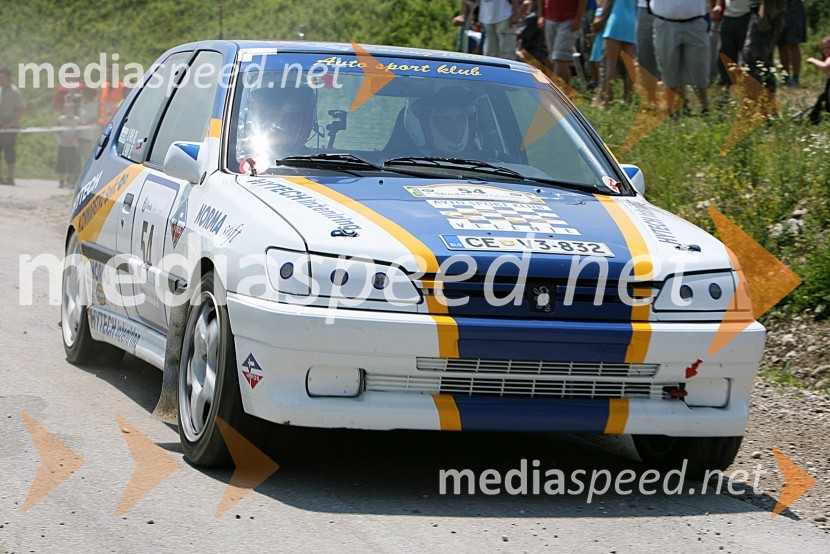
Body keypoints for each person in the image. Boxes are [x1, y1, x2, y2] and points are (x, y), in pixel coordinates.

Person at [236, 84, 316, 170]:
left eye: (294, 117)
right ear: (262, 118)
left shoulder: (319, 164)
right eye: (277, 116)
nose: (285, 125)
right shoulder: (246, 163)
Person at [650, 0, 711, 113]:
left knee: (699, 65)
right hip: (665, 23)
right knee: (668, 66)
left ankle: (705, 108)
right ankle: (671, 110)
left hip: (695, 23)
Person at [401, 87, 479, 157]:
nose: (457, 128)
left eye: (461, 118)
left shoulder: (481, 160)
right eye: (446, 120)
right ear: (418, 125)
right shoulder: (399, 164)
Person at [593, 0, 636, 108]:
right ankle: (628, 98)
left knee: (610, 64)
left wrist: (600, 18)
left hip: (616, 21)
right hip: (631, 23)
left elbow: (608, 2)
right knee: (629, 66)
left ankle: (607, 99)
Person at [742, 0, 788, 93]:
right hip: (764, 13)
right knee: (763, 59)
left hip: (768, 16)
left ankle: (758, 94)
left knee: (753, 57)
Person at [539, 0, 588, 85]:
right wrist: (541, 15)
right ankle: (565, 90)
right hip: (549, 18)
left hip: (569, 20)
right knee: (554, 58)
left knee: (559, 57)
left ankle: (554, 89)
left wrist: (579, 18)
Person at [455, 0, 520, 61]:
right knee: (489, 53)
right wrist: (462, 15)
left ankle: (508, 69)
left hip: (505, 17)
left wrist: (515, 14)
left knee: (507, 52)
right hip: (486, 19)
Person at [712, 0, 752, 86]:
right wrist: (718, 5)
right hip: (728, 17)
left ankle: (749, 85)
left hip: (748, 15)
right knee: (726, 52)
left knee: (748, 54)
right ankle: (726, 85)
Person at [0, 68, 26, 186]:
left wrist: (10, 124)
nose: (1, 80)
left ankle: (10, 177)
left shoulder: (14, 92)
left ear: (8, 78)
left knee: (9, 152)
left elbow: (21, 109)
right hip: (0, 127)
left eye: (3, 77)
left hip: (10, 128)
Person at [778, 0, 807, 87]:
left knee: (793, 43)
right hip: (776, 7)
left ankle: (795, 78)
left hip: (793, 6)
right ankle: (785, 77)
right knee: (781, 44)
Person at [517, 0, 549, 67]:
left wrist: (518, 14)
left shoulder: (532, 17)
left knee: (508, 54)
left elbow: (518, 36)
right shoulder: (539, 16)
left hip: (532, 55)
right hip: (540, 53)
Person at [56, 102, 80, 189]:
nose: (69, 111)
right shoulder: (61, 119)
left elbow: (79, 131)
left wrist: (72, 139)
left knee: (72, 163)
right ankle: (61, 180)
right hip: (63, 143)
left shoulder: (77, 119)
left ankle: (71, 180)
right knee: (61, 162)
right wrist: (64, 139)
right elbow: (58, 130)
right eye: (67, 109)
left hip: (73, 144)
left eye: (70, 109)